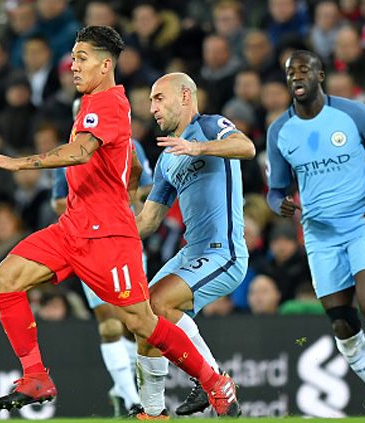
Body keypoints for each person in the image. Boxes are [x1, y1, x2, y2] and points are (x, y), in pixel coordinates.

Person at [0, 26, 239, 416]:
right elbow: (125, 164)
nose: (73, 65)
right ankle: (35, 376)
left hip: (107, 236)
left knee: (141, 322)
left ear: (105, 64)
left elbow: (81, 153)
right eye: (73, 57)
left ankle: (215, 382)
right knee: (5, 279)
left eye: (82, 58)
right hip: (72, 227)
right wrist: (125, 182)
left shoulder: (109, 103)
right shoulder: (90, 105)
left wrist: (18, 162)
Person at [265, 50, 365, 418]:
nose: (297, 76)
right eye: (291, 72)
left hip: (362, 222)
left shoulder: (352, 114)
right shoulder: (280, 131)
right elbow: (275, 191)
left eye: (304, 70)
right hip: (320, 235)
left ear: (320, 75)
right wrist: (282, 205)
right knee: (342, 324)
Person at [133, 72, 255, 418]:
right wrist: (101, 232)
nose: (152, 107)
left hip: (224, 252)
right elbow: (148, 222)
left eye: (159, 98)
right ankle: (153, 411)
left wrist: (198, 147)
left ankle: (212, 380)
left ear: (185, 96)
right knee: (143, 313)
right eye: (151, 100)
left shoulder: (210, 126)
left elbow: (246, 147)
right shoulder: (167, 158)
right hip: (193, 253)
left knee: (158, 302)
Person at [50, 107, 153, 415]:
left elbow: (147, 183)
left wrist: (118, 196)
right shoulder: (67, 152)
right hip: (89, 247)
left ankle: (122, 390)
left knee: (134, 323)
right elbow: (57, 200)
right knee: (109, 324)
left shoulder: (128, 145)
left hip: (123, 243)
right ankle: (134, 399)